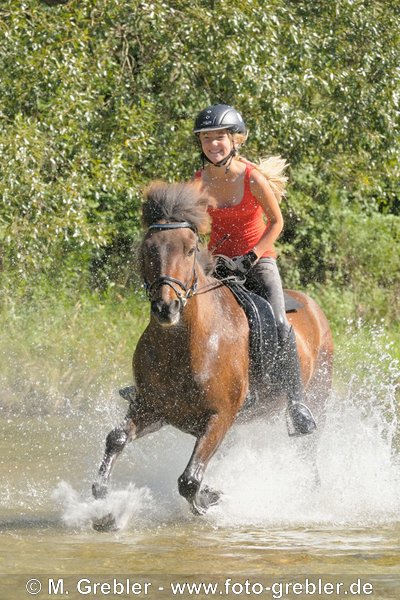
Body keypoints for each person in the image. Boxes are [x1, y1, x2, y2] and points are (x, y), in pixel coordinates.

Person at [193, 103, 316, 436]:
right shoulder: (198, 180)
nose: (213, 144)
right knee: (188, 310)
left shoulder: (251, 177)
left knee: (277, 322)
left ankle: (296, 402)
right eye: (206, 139)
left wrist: (254, 254)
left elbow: (277, 222)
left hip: (258, 262)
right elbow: (195, 225)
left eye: (219, 138)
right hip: (219, 264)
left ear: (236, 141)